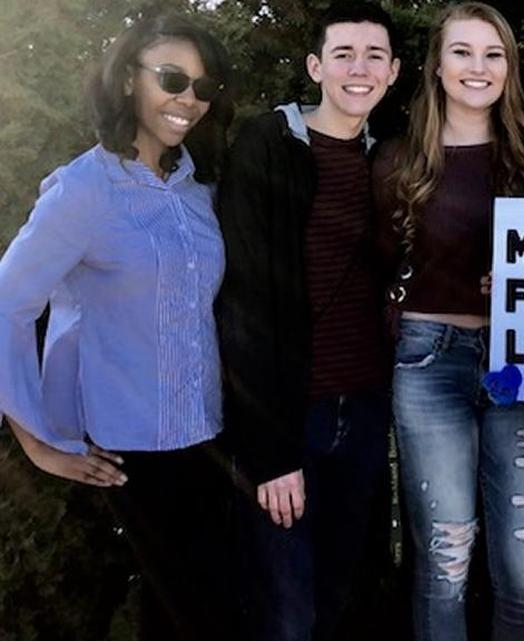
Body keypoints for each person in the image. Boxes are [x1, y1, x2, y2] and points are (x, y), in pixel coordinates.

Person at [0, 14, 235, 641]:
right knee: (201, 618)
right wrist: (39, 441)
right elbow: (7, 304)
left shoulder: (198, 191)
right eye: (171, 79)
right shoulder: (82, 191)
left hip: (207, 439)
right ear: (128, 80)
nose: (188, 99)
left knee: (175, 619)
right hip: (132, 453)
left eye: (202, 88)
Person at [213, 3, 400, 639]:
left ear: (394, 71)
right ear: (315, 65)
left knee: (337, 595)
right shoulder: (267, 144)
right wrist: (269, 452)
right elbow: (244, 301)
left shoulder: (392, 160)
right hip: (289, 417)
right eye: (343, 54)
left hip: (366, 410)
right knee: (285, 616)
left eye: (375, 55)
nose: (359, 68)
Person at [372, 3, 524, 640]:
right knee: (445, 566)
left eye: (493, 54)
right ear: (436, 66)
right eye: (463, 52)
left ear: (510, 66)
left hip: (518, 367)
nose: (478, 68)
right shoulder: (397, 160)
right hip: (429, 362)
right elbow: (372, 271)